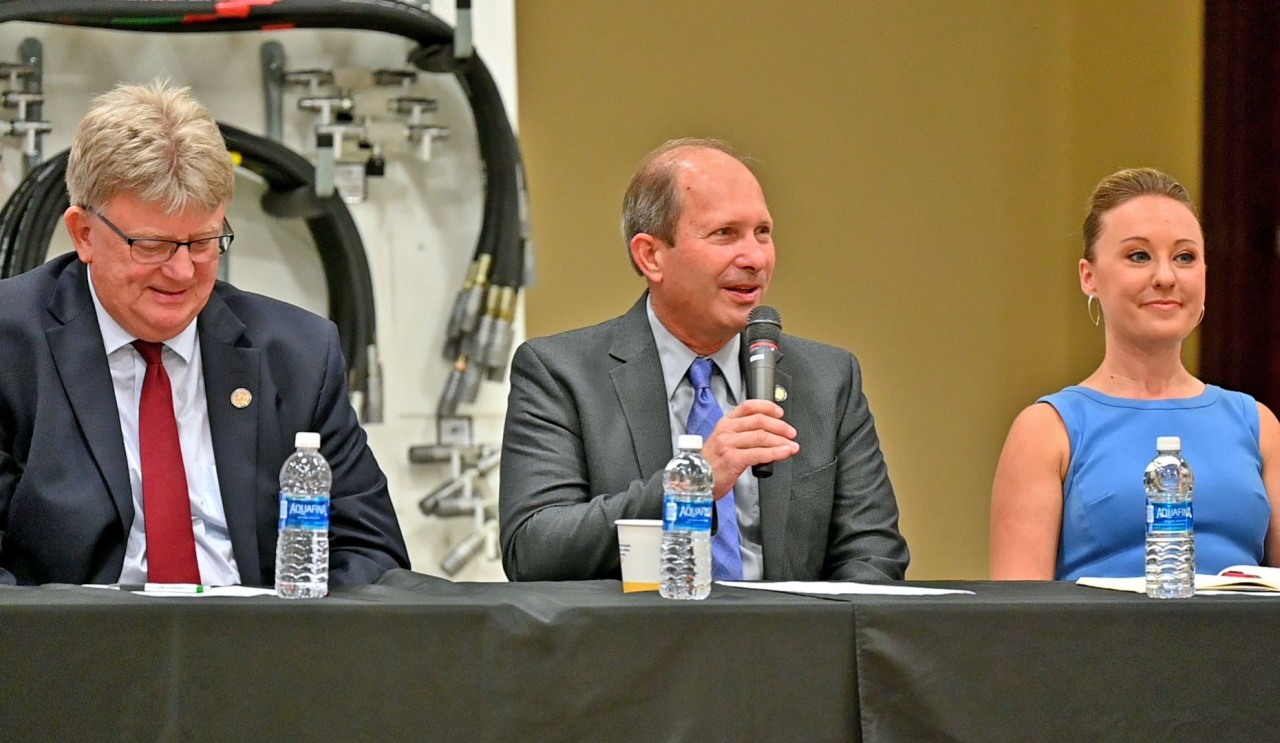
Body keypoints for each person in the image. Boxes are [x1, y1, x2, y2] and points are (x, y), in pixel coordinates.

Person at [0, 80, 409, 586]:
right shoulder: (11, 345)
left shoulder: (298, 355)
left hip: (257, 648)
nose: (181, 272)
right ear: (83, 233)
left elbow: (371, 553)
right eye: (150, 245)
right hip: (79, 650)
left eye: (203, 243)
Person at [499, 138, 909, 582]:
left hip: (791, 644)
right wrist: (691, 485)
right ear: (651, 255)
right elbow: (533, 550)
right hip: (640, 645)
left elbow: (874, 556)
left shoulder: (828, 379)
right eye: (725, 234)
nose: (755, 258)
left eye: (763, 233)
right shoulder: (560, 373)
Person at [990, 167, 1280, 580]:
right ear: (1089, 277)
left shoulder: (1258, 425)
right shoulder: (1046, 430)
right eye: (1138, 256)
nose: (1165, 277)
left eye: (1185, 257)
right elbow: (1015, 623)